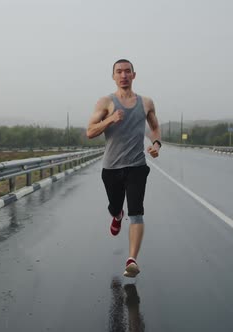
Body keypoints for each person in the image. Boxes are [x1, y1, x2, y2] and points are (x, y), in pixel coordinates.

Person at [86, 59, 161, 278]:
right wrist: (109, 120)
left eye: (127, 71)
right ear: (113, 76)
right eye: (119, 72)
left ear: (134, 75)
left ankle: (132, 260)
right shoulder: (105, 102)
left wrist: (156, 144)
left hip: (137, 166)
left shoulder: (146, 102)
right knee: (115, 206)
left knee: (136, 212)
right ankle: (116, 215)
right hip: (111, 168)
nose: (123, 75)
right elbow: (90, 132)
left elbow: (155, 128)